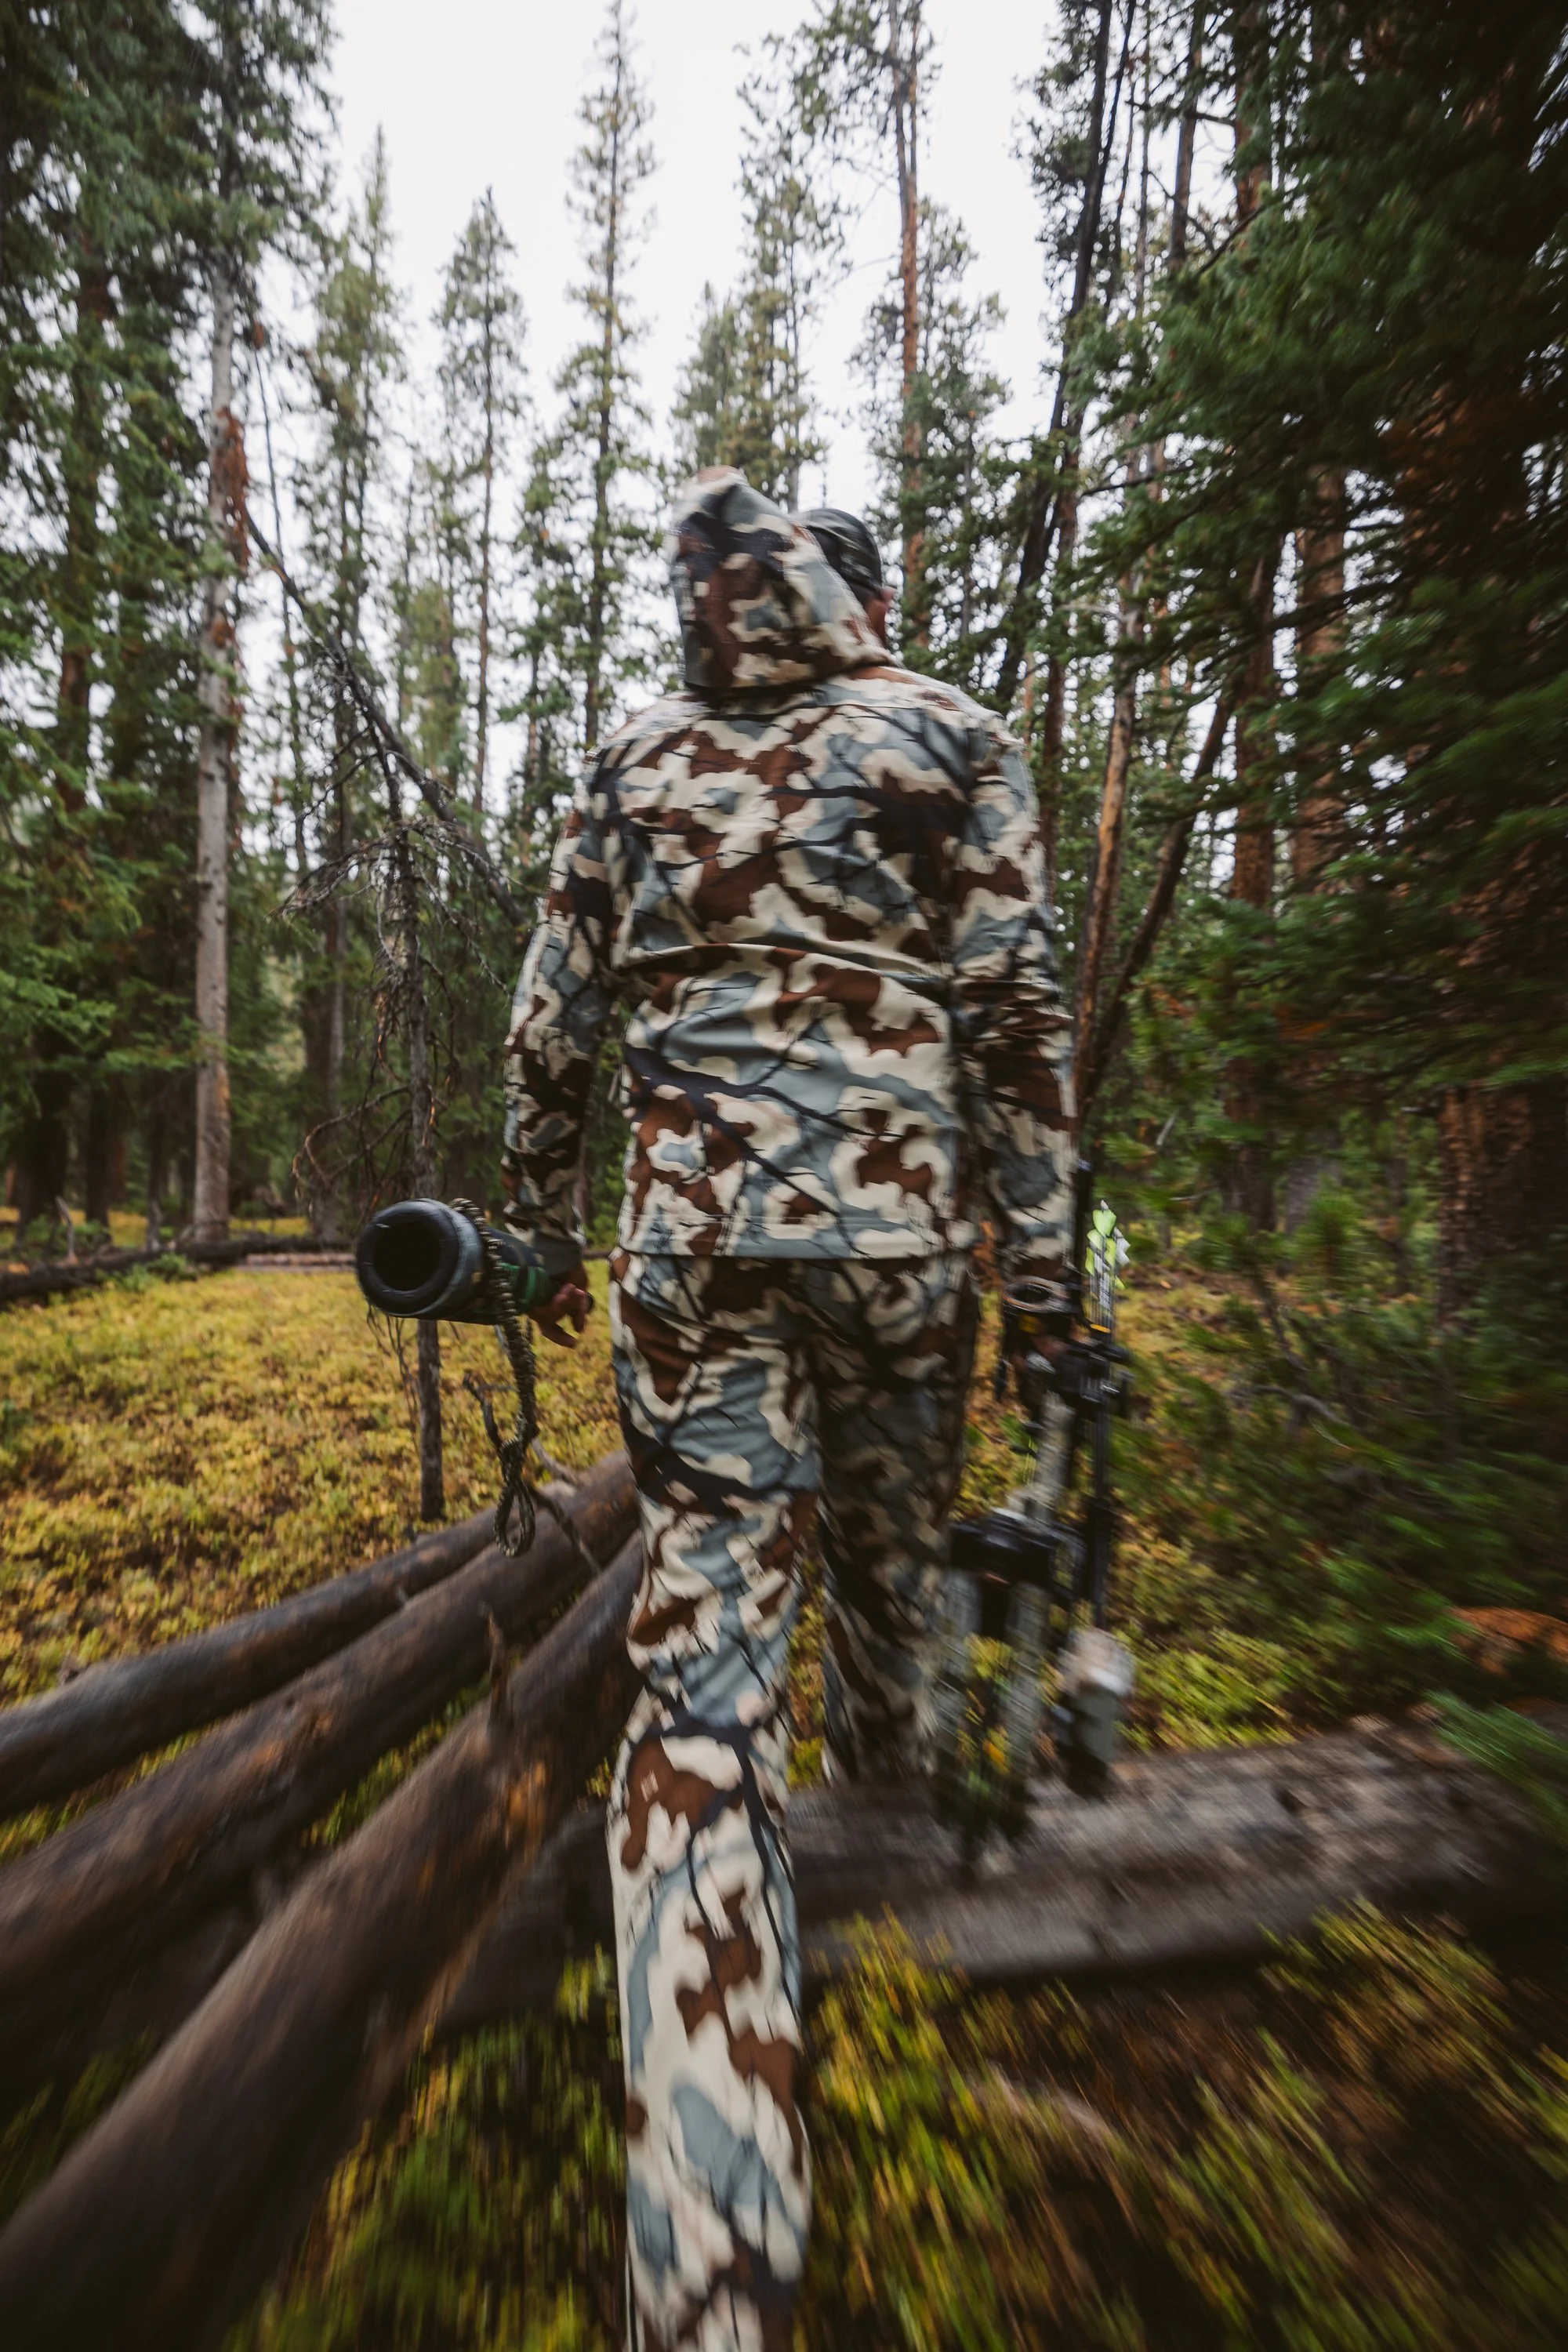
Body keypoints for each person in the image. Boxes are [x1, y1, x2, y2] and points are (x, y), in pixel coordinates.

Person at [501, 470, 1074, 2351]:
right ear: (862, 595)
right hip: (908, 1246)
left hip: (696, 1249)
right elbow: (1018, 1028)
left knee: (700, 1680)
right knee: (896, 1576)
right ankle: (893, 1814)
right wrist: (1051, 1296)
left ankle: (714, 2263)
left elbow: (549, 1026)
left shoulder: (628, 758)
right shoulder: (952, 737)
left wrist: (529, 1221)